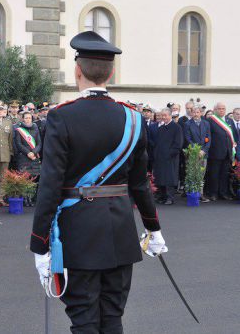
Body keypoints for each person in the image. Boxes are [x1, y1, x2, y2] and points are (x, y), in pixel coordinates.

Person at [31, 31, 166, 333]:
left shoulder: (61, 117)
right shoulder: (133, 119)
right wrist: (153, 229)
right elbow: (140, 183)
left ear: (77, 71)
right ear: (111, 72)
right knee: (112, 316)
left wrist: (39, 244)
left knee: (84, 318)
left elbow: (50, 185)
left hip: (78, 235)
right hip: (120, 231)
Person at [204, 102, 236, 200]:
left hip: (227, 153)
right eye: (219, 108)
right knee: (214, 174)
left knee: (224, 174)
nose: (221, 110)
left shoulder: (229, 120)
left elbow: (233, 135)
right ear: (215, 110)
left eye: (223, 108)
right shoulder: (210, 121)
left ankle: (223, 193)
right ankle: (213, 193)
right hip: (215, 152)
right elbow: (208, 136)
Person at [152, 108, 183, 205]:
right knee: (160, 177)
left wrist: (169, 154)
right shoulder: (160, 128)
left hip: (171, 158)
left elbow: (178, 144)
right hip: (160, 158)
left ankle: (170, 197)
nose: (163, 117)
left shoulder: (176, 127)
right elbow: (157, 143)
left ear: (170, 116)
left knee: (169, 178)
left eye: (165, 115)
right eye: (162, 115)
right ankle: (162, 196)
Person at [13, 111, 42, 206]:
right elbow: (18, 144)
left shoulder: (36, 129)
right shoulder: (19, 130)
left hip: (34, 157)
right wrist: (28, 152)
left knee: (33, 179)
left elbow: (39, 144)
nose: (28, 119)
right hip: (23, 157)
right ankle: (24, 199)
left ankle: (30, 198)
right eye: (26, 118)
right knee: (24, 178)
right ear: (23, 119)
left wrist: (33, 152)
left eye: (29, 118)